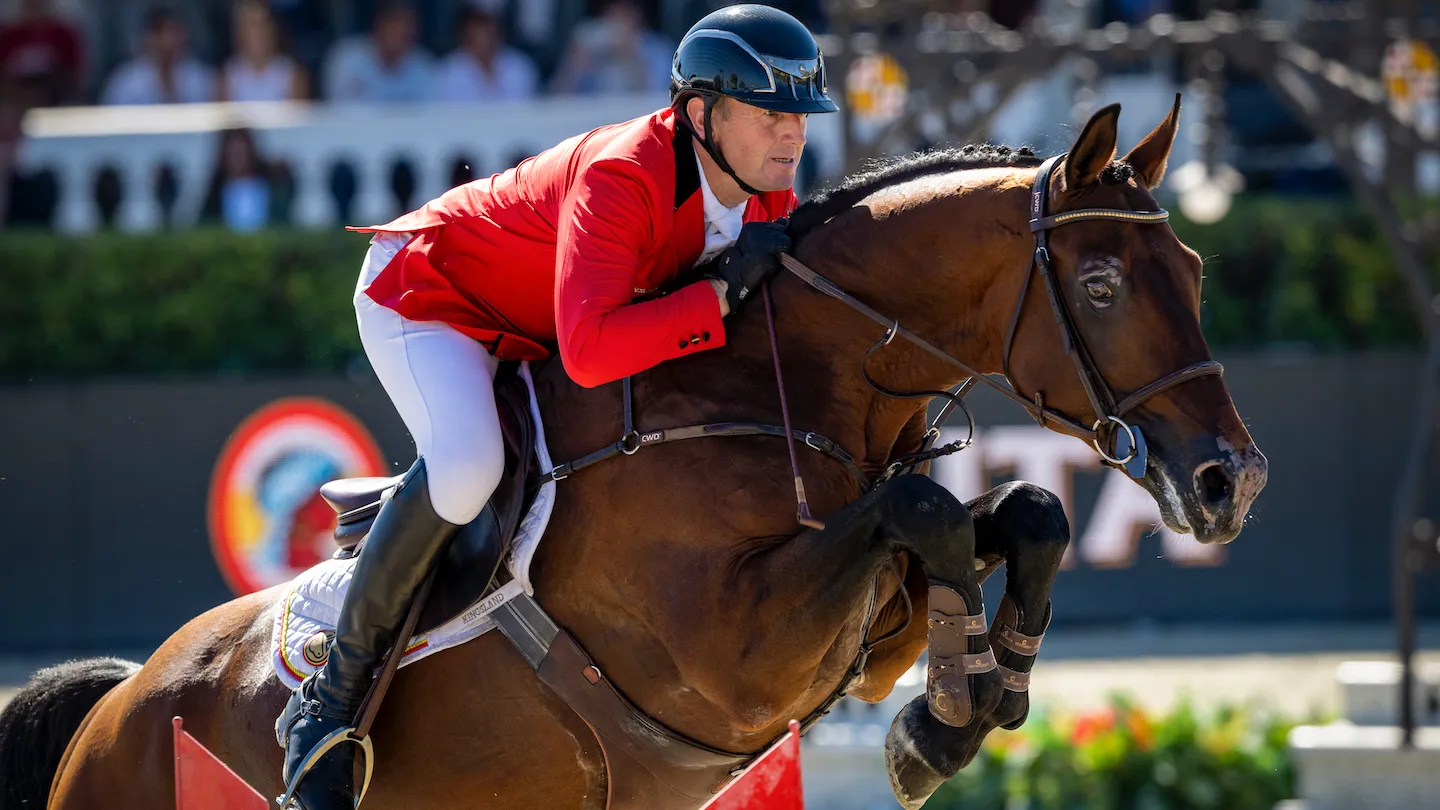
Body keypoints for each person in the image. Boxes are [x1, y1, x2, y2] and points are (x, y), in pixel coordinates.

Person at [272, 5, 836, 808]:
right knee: (469, 469)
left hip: (527, 325)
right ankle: (328, 707)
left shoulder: (766, 195)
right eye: (774, 114)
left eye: (802, 117)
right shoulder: (624, 173)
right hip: (428, 299)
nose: (793, 136)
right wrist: (716, 296)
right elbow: (594, 349)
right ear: (703, 114)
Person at [549, 0, 672, 96]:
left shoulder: (659, 51)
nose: (617, 18)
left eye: (624, 11)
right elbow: (555, 100)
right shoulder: (587, 39)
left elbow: (658, 103)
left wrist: (632, 58)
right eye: (610, 11)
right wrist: (575, 66)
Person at [322, 1, 434, 103]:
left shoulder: (425, 68)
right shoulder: (347, 59)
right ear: (378, 26)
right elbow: (339, 113)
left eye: (405, 28)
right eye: (393, 26)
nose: (399, 33)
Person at [99, 6, 213, 105]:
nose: (167, 40)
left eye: (174, 31)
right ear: (145, 38)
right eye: (159, 31)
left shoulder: (203, 80)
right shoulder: (124, 84)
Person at [433, 6, 538, 103]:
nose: (485, 33)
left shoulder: (521, 67)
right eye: (479, 25)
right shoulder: (447, 73)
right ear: (465, 31)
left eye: (490, 25)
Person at [199, 127, 292, 231]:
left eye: (241, 152)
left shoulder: (272, 187)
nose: (237, 158)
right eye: (232, 153)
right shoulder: (215, 194)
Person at [218, 0, 309, 102]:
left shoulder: (293, 74)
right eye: (252, 26)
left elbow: (297, 115)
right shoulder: (227, 76)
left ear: (274, 29)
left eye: (263, 24)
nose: (259, 33)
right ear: (239, 33)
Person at [0, 0, 84, 108]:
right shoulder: (10, 36)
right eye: (31, 5)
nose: (35, 9)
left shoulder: (64, 35)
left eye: (39, 4)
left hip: (53, 94)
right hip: (16, 94)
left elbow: (74, 74)